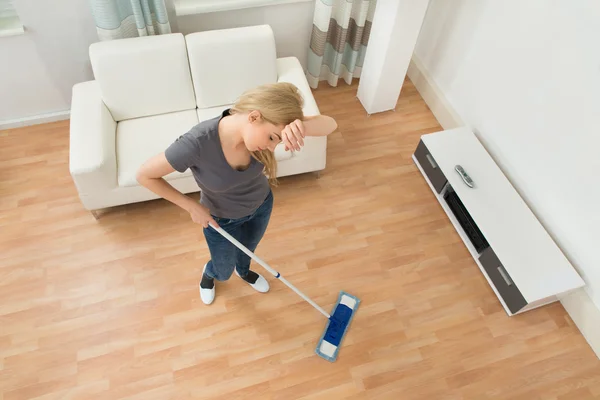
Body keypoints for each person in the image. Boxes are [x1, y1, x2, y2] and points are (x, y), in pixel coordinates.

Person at [136, 82, 338, 305]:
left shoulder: (257, 134)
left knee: (248, 252)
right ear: (253, 117)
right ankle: (209, 274)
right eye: (272, 138)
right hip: (221, 220)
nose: (272, 148)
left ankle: (244, 271)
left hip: (261, 206)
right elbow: (144, 175)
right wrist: (192, 207)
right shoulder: (196, 144)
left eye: (277, 141)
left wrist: (303, 127)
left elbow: (331, 125)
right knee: (223, 270)